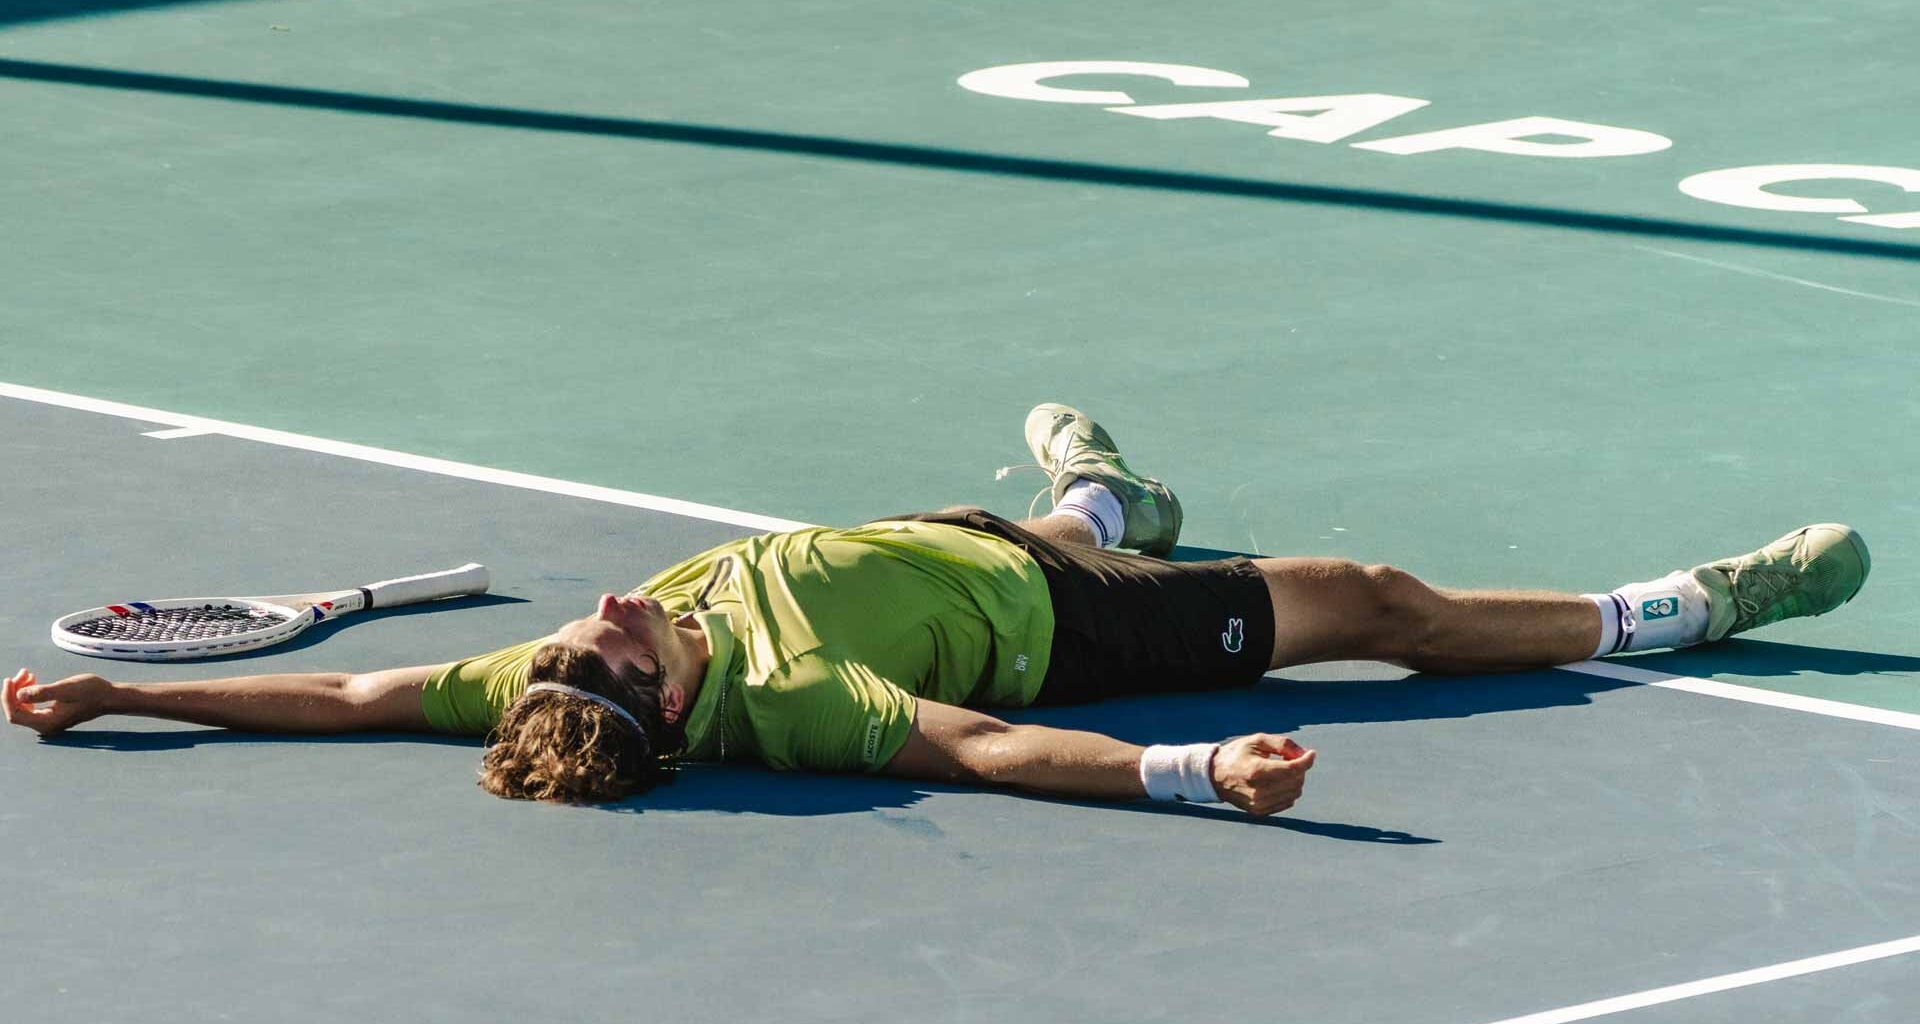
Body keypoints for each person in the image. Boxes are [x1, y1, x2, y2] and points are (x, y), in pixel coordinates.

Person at [4, 404, 1871, 817]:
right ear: (656, 708)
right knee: (1381, 602)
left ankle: (1104, 492)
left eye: (579, 637)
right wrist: (1194, 772)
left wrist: (126, 701)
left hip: (961, 537)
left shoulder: (532, 676)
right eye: (609, 646)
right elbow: (980, 743)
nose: (598, 611)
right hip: (1092, 634)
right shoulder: (806, 707)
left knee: (1050, 511)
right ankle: (1679, 610)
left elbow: (344, 704)